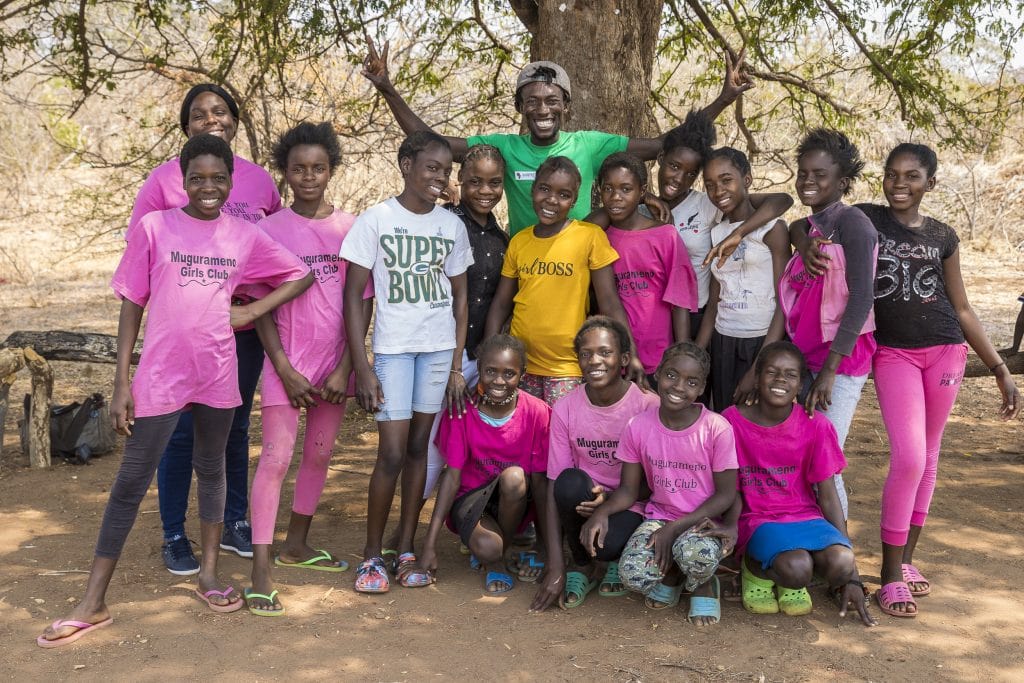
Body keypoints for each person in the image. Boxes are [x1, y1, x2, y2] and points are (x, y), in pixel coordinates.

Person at [37, 134, 312, 647]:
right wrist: (121, 382)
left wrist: (249, 311)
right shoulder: (156, 227)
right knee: (131, 479)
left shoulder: (243, 235)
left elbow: (297, 275)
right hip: (161, 373)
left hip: (217, 371)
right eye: (197, 178)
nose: (208, 187)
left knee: (212, 470)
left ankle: (208, 574)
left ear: (232, 182)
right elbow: (131, 304)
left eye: (218, 178)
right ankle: (93, 600)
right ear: (181, 180)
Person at [361, 39, 755, 235]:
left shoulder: (589, 144)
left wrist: (724, 97)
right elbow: (434, 144)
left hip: (579, 261)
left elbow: (668, 143)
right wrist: (387, 88)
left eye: (552, 100)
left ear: (565, 104)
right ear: (520, 107)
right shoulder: (503, 147)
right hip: (524, 261)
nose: (542, 109)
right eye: (532, 101)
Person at [857, 143, 1019, 617]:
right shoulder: (868, 220)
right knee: (907, 456)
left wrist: (1000, 369)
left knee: (928, 456)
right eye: (892, 175)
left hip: (946, 351)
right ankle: (887, 577)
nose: (899, 185)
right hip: (894, 354)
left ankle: (905, 562)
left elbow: (963, 307)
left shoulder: (943, 235)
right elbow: (813, 222)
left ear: (931, 183)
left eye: (911, 177)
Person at [128, 84, 283, 574]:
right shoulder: (164, 180)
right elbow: (142, 251)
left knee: (234, 428)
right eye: (198, 115)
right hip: (183, 329)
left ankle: (233, 520)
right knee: (176, 432)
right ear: (186, 127)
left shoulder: (258, 182)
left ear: (235, 120)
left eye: (220, 111)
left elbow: (277, 248)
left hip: (241, 327)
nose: (210, 120)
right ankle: (174, 534)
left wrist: (252, 312)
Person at [243, 122, 372, 616]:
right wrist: (282, 367)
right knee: (275, 459)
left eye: (318, 167)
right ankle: (261, 571)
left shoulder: (352, 229)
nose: (309, 176)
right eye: (298, 169)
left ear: (332, 169)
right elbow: (260, 307)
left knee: (318, 456)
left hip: (335, 368)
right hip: (286, 366)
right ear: (286, 173)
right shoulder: (268, 230)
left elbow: (362, 304)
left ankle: (297, 544)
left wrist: (346, 369)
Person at [341, 130, 474, 593]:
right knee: (391, 454)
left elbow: (460, 300)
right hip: (394, 351)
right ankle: (371, 555)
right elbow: (354, 296)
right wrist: (361, 365)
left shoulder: (450, 226)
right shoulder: (375, 220)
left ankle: (407, 549)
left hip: (437, 350)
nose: (440, 177)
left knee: (421, 450)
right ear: (405, 165)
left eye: (446, 170)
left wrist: (456, 363)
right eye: (431, 167)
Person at [581, 342, 737, 625]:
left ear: (701, 388)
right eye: (671, 375)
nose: (678, 386)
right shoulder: (638, 426)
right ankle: (675, 575)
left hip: (703, 521)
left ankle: (703, 584)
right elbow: (629, 490)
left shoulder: (716, 428)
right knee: (633, 574)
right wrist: (601, 512)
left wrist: (675, 528)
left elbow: (727, 494)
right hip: (659, 517)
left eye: (691, 382)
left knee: (695, 555)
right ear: (658, 374)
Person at [720, 341, 875, 626]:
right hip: (758, 519)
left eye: (790, 374)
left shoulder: (816, 426)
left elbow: (828, 496)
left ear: (801, 383)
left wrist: (853, 576)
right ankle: (756, 570)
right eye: (772, 372)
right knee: (797, 569)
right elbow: (728, 488)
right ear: (756, 377)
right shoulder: (731, 421)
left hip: (805, 517)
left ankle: (788, 567)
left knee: (842, 562)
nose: (781, 380)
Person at [483, 156, 644, 404]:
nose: (552, 200)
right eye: (545, 189)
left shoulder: (589, 236)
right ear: (533, 189)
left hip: (568, 367)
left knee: (562, 436)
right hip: (519, 365)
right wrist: (490, 352)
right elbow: (502, 303)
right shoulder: (519, 241)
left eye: (564, 194)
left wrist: (630, 351)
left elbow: (609, 302)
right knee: (526, 438)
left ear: (574, 201)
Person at [529, 317, 659, 611]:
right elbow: (554, 487)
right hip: (585, 500)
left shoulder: (647, 406)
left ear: (624, 358)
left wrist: (611, 500)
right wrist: (555, 565)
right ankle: (581, 564)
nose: (594, 360)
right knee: (569, 483)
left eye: (605, 352)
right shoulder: (566, 408)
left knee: (608, 544)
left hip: (630, 501)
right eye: (586, 354)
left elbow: (657, 483)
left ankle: (610, 559)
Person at [782, 129, 877, 519]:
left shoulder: (854, 223)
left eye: (819, 175)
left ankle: (842, 555)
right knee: (804, 452)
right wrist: (800, 239)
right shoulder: (815, 224)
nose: (808, 181)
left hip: (839, 363)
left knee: (825, 458)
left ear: (842, 182)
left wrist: (830, 373)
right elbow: (795, 226)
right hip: (807, 357)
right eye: (803, 172)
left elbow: (861, 299)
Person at [417, 335, 551, 593]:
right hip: (471, 501)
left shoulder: (537, 412)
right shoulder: (462, 411)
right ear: (478, 370)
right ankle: (495, 557)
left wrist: (547, 552)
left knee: (514, 477)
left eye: (509, 373)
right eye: (490, 371)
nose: (499, 381)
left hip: (516, 502)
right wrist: (429, 546)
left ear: (522, 374)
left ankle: (502, 553)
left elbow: (540, 484)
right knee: (488, 547)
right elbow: (451, 477)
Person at [695, 147, 789, 409]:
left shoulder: (773, 229)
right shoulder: (716, 233)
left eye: (726, 180)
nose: (718, 191)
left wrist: (760, 365)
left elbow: (784, 301)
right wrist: (697, 352)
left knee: (756, 418)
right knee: (727, 415)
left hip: (762, 340)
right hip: (724, 341)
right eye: (710, 185)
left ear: (746, 180)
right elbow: (715, 303)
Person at [596, 152, 697, 382]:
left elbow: (679, 300)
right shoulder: (598, 236)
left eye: (626, 189)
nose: (616, 197)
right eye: (608, 189)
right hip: (613, 354)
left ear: (642, 192)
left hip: (659, 355)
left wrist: (680, 353)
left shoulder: (665, 235)